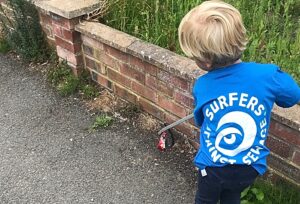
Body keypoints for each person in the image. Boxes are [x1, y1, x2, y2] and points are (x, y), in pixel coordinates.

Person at [178, 1, 300, 203]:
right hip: (249, 168)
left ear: (206, 61)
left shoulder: (203, 85)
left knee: (204, 200)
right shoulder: (269, 75)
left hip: (213, 168)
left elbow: (201, 121)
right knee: (233, 196)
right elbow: (293, 97)